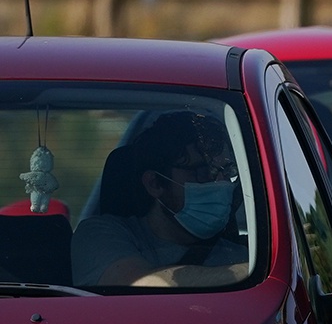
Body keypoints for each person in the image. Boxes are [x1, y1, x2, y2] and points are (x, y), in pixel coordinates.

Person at [72, 111, 247, 287]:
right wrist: (254, 272)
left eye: (227, 171)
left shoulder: (244, 255)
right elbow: (137, 284)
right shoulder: (101, 235)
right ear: (154, 184)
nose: (222, 184)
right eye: (204, 172)